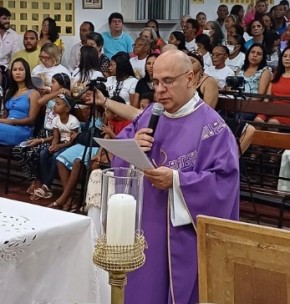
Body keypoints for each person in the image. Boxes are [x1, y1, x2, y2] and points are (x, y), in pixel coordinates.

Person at [104, 49, 240, 303]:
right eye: (155, 82)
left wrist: (177, 181)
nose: (159, 90)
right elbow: (121, 152)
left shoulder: (214, 128)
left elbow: (225, 183)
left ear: (190, 79)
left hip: (180, 234)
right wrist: (133, 143)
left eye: (168, 81)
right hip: (143, 223)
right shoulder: (150, 114)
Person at [12, 73, 71, 197]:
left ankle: (41, 184)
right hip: (42, 132)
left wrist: (60, 92)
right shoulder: (52, 96)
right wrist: (55, 92)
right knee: (19, 149)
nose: (51, 84)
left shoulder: (65, 99)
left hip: (53, 136)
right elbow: (40, 101)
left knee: (33, 152)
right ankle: (35, 179)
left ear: (62, 84)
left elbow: (61, 132)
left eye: (54, 82)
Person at [33, 94, 80, 199]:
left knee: (56, 156)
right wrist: (53, 145)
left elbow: (72, 141)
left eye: (58, 104)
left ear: (67, 109)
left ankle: (46, 186)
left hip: (69, 145)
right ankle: (46, 185)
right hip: (60, 144)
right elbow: (55, 137)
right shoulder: (56, 119)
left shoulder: (73, 121)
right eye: (55, 103)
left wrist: (58, 147)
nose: (54, 106)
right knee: (44, 153)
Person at [0, 58, 40, 145]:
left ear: (27, 72)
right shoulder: (9, 91)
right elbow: (5, 115)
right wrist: (3, 120)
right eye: (14, 70)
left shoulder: (34, 93)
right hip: (6, 126)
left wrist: (11, 121)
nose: (17, 72)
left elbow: (31, 120)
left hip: (22, 130)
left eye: (21, 69)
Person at [255, 46, 290, 125]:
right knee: (258, 120)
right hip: (272, 109)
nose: (287, 58)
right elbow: (267, 97)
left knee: (272, 122)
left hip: (287, 112)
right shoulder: (276, 74)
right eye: (285, 56)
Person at [0, 7, 20, 90]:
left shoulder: (13, 35)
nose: (7, 21)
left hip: (6, 67)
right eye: (4, 18)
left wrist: (10, 69)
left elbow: (15, 55)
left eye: (8, 18)